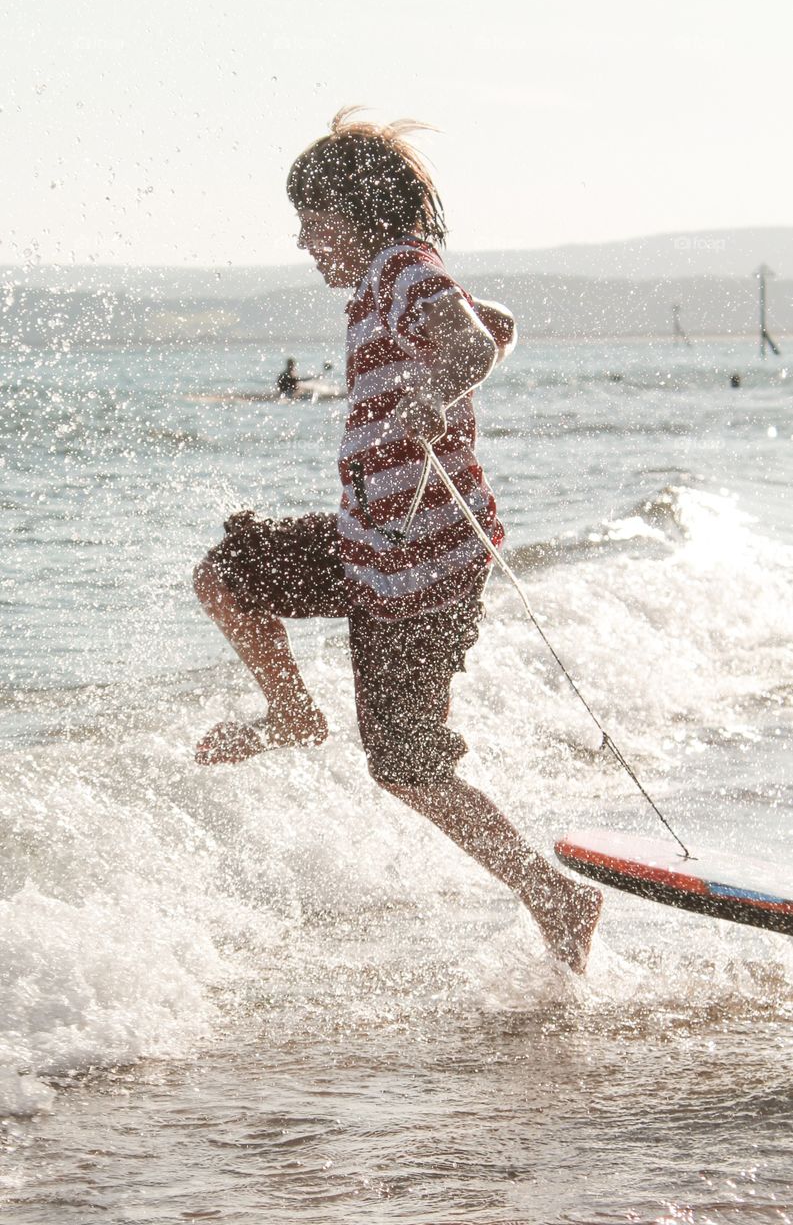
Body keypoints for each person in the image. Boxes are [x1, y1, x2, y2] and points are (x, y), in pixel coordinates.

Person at [193, 109, 602, 973]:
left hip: (425, 575)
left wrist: (437, 389)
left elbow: (463, 341)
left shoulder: (402, 265)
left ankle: (555, 896)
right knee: (226, 572)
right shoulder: (395, 277)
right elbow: (491, 324)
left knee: (408, 766)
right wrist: (480, 339)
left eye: (313, 219)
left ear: (360, 212)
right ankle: (292, 713)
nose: (303, 239)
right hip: (366, 547)